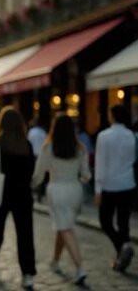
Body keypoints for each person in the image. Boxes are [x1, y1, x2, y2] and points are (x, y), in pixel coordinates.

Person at [32, 113, 90, 285]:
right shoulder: (80, 149)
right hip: (75, 189)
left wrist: (32, 184)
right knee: (62, 225)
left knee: (65, 228)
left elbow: (39, 175)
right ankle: (55, 261)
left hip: (56, 189)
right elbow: (86, 175)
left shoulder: (48, 148)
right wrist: (77, 181)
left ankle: (80, 268)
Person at [0, 106, 36, 289]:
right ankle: (27, 273)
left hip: (1, 193)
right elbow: (31, 171)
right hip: (23, 194)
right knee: (25, 234)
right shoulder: (26, 145)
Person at [94, 104, 136, 272]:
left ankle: (122, 249)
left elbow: (100, 163)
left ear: (112, 116)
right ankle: (122, 255)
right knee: (123, 222)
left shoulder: (104, 136)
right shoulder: (131, 135)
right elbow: (132, 159)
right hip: (127, 183)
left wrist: (98, 189)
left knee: (105, 221)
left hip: (109, 185)